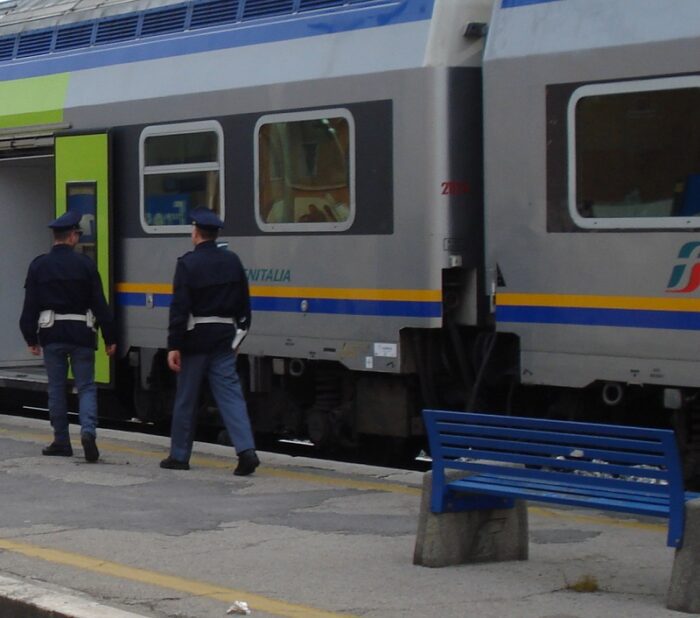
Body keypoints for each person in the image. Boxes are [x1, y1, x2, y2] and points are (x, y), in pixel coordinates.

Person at [160, 207, 259, 476]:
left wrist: (174, 345)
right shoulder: (233, 261)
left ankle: (179, 456)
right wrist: (239, 335)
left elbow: (180, 308)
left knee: (187, 399)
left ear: (195, 232)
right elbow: (244, 304)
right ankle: (246, 450)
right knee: (231, 396)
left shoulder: (187, 264)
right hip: (224, 338)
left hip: (194, 340)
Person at [19, 210, 117, 462]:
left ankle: (61, 441)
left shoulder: (39, 265)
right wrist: (110, 337)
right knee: (85, 387)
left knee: (56, 388)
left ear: (55, 236)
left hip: (52, 334)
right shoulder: (85, 264)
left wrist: (30, 337)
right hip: (81, 334)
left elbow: (30, 305)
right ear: (72, 236)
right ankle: (88, 433)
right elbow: (100, 304)